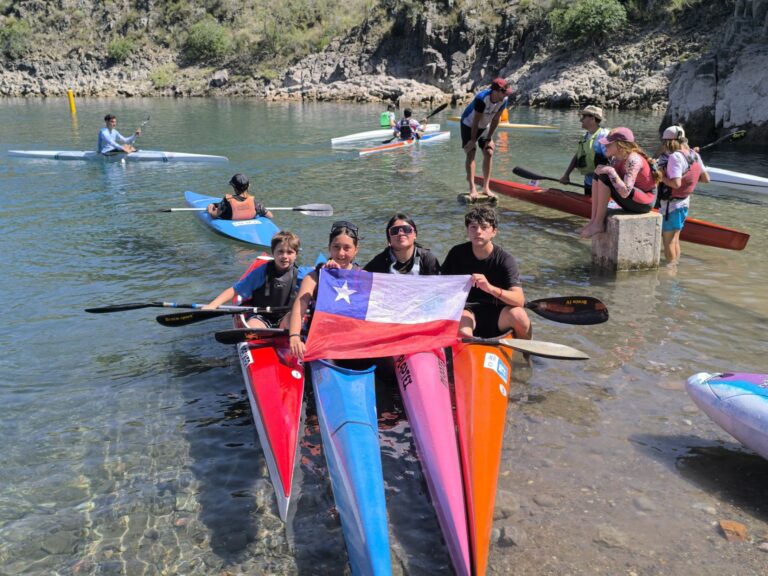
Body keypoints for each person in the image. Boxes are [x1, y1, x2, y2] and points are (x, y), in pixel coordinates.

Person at [441, 206, 531, 339]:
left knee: (519, 316)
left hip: (498, 312)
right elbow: (441, 285)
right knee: (463, 328)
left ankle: (525, 350)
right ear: (467, 231)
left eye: (484, 227)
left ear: (494, 232)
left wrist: (490, 288)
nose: (478, 231)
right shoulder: (456, 253)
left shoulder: (505, 259)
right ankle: (468, 349)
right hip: (467, 311)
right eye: (473, 227)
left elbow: (519, 300)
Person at [288, 220, 361, 360]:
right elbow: (298, 309)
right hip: (321, 341)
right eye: (336, 247)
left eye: (347, 248)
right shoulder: (314, 276)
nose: (341, 253)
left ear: (356, 250)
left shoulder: (363, 277)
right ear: (329, 248)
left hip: (351, 340)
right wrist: (295, 337)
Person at [204, 231, 301, 329]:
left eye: (289, 252)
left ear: (296, 254)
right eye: (280, 251)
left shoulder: (301, 275)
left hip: (285, 318)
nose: (284, 256)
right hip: (261, 317)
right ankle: (253, 333)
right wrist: (213, 305)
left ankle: (293, 334)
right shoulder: (261, 272)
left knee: (293, 317)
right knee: (253, 327)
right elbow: (235, 290)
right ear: (273, 253)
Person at [578, 127, 662, 239]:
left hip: (644, 203)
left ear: (621, 145)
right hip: (631, 198)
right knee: (599, 173)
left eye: (609, 143)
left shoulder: (634, 160)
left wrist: (611, 171)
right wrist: (606, 170)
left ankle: (598, 224)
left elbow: (625, 192)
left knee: (605, 175)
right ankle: (593, 221)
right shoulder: (616, 158)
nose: (605, 145)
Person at [656, 125, 710, 264]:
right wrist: (687, 178)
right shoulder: (694, 155)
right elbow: (706, 179)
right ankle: (675, 267)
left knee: (668, 242)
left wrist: (661, 177)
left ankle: (670, 270)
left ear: (668, 142)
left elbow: (676, 184)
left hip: (671, 206)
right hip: (684, 203)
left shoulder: (675, 157)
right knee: (675, 240)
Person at [460, 77, 513, 200]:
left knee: (489, 152)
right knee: (471, 152)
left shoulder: (504, 99)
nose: (507, 95)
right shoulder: (481, 99)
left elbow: (496, 119)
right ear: (496, 91)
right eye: (505, 92)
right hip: (469, 124)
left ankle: (486, 187)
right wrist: (472, 141)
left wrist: (489, 138)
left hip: (484, 126)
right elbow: (475, 121)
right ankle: (472, 188)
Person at [364, 213, 441, 275]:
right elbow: (362, 278)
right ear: (389, 238)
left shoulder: (427, 259)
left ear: (415, 234)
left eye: (406, 229)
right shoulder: (380, 261)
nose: (401, 233)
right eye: (395, 231)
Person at [560, 105, 609, 196]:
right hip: (588, 182)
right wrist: (566, 175)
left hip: (602, 185)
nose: (580, 120)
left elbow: (612, 161)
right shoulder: (585, 136)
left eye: (583, 116)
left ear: (593, 119)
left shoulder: (604, 136)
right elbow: (577, 156)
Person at [206, 173, 274, 221]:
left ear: (234, 187)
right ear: (248, 186)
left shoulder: (227, 201)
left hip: (230, 222)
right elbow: (270, 215)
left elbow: (214, 215)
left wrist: (210, 208)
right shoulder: (254, 202)